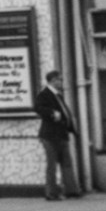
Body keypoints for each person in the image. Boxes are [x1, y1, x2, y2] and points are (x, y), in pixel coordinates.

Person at [35, 70, 81, 200]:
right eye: (60, 80)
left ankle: (71, 190)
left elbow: (65, 113)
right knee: (52, 164)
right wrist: (52, 113)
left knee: (67, 163)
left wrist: (71, 127)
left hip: (61, 133)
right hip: (50, 135)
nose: (62, 82)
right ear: (53, 81)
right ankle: (51, 193)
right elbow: (38, 107)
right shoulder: (44, 94)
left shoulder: (58, 95)